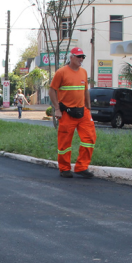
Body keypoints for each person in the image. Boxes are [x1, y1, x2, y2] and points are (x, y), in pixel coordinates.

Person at [48, 47, 96, 179]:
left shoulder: (84, 73)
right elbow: (52, 90)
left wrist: (88, 108)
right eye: (79, 56)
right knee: (64, 142)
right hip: (67, 112)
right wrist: (57, 109)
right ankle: (64, 168)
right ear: (71, 57)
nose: (81, 59)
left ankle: (81, 167)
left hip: (83, 111)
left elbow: (85, 90)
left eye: (83, 57)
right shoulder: (61, 72)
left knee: (89, 138)